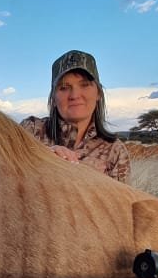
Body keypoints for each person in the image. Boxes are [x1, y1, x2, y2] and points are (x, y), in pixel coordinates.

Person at [21, 50, 131, 183]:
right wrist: (45, 154)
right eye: (64, 87)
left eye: (84, 85)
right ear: (54, 98)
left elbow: (119, 202)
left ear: (98, 94)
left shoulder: (115, 151)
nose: (74, 95)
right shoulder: (30, 130)